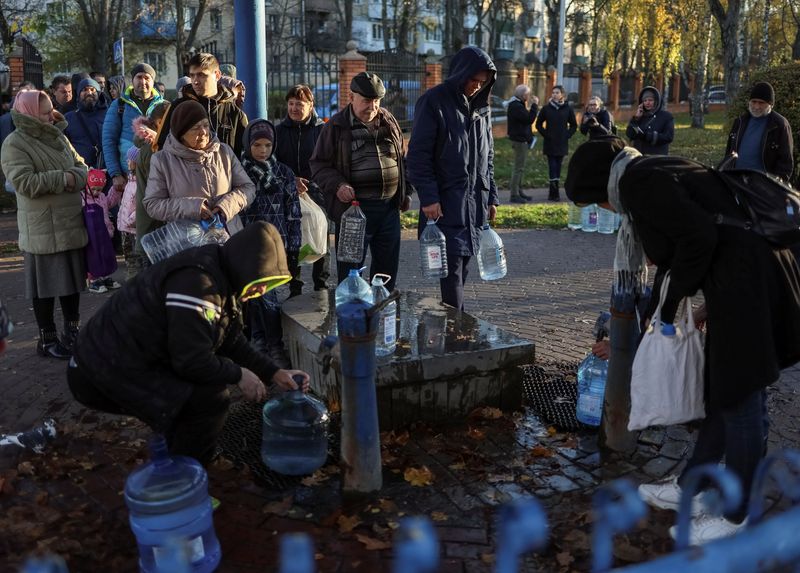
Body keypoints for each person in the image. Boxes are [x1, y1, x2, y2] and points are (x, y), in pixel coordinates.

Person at [565, 136, 800, 545]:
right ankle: (698, 483)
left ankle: (736, 513)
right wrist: (666, 309)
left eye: (594, 202)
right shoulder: (650, 169)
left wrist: (672, 308)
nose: (603, 211)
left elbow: (698, 240)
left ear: (600, 185)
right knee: (723, 391)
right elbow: (690, 243)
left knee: (743, 397)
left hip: (748, 283)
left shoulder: (639, 184)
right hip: (746, 276)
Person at [67, 221, 310, 465]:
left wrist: (275, 372)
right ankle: (184, 479)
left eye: (268, 284)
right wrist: (238, 374)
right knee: (208, 400)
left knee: (194, 399)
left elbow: (231, 341)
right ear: (245, 263)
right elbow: (190, 360)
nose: (261, 290)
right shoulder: (199, 285)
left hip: (131, 357)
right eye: (260, 281)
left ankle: (179, 457)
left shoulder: (222, 271)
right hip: (97, 369)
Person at [406, 46, 498, 310]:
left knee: (463, 268)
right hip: (446, 204)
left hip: (475, 205)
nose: (476, 86)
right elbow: (418, 157)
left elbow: (487, 157)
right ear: (461, 73)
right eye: (473, 80)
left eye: (482, 82)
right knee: (452, 273)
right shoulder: (434, 101)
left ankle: (455, 324)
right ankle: (456, 331)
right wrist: (429, 197)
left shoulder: (482, 109)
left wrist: (491, 196)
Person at [0, 90, 88, 358]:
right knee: (45, 288)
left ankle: (72, 333)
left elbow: (82, 166)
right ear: (29, 113)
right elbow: (24, 183)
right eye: (46, 111)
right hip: (42, 226)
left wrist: (76, 176)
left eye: (51, 109)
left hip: (70, 220)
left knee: (72, 284)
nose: (52, 115)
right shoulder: (15, 143)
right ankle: (46, 339)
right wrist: (64, 179)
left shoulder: (58, 135)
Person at [310, 72, 413, 291]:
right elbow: (318, 165)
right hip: (354, 212)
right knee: (350, 273)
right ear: (351, 97)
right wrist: (339, 185)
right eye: (366, 100)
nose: (372, 106)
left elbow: (403, 160)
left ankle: (381, 313)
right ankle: (351, 319)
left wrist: (406, 191)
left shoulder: (388, 120)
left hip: (388, 210)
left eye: (376, 101)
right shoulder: (335, 127)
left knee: (386, 272)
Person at [239, 120, 301, 366]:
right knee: (253, 295)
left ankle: (274, 344)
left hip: (276, 245)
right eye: (257, 145)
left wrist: (294, 247)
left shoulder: (283, 173)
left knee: (270, 296)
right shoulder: (239, 173)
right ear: (248, 144)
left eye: (268, 145)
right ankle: (258, 339)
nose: (263, 150)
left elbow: (293, 212)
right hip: (248, 245)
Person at [144, 100, 254, 233]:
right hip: (188, 242)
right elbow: (153, 204)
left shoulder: (223, 152)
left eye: (206, 125)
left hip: (228, 236)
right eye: (195, 128)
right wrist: (194, 208)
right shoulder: (162, 160)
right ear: (181, 133)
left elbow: (248, 188)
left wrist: (225, 207)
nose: (203, 132)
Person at [274, 84, 329, 294]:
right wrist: (290, 181)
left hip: (317, 192)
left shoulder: (322, 130)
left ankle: (321, 284)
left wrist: (312, 183)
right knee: (292, 238)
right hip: (289, 191)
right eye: (291, 103)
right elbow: (274, 162)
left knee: (320, 234)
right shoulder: (278, 131)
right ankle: (295, 285)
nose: (295, 108)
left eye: (300, 104)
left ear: (311, 105)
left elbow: (327, 161)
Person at [159, 53, 248, 156]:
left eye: (201, 75)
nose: (195, 81)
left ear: (217, 75)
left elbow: (243, 154)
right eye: (192, 75)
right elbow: (161, 147)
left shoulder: (234, 113)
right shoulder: (177, 108)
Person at [102, 63, 164, 196]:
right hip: (128, 177)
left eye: (147, 78)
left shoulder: (163, 106)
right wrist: (115, 173)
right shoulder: (119, 105)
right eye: (139, 77)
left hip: (158, 175)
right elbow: (108, 140)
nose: (143, 81)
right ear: (132, 80)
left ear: (153, 81)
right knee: (128, 215)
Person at [722, 81, 793, 181]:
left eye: (761, 103)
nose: (756, 106)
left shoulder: (780, 125)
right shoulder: (740, 122)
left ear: (770, 104)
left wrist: (776, 185)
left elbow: (785, 162)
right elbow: (729, 153)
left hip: (764, 185)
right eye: (754, 102)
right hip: (737, 180)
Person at [133, 102, 171, 272]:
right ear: (159, 122)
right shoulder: (152, 148)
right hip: (153, 224)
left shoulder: (151, 144)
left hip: (151, 221)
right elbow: (160, 186)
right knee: (152, 274)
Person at [534, 85, 577, 202]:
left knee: (558, 167)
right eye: (553, 93)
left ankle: (555, 191)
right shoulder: (546, 108)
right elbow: (538, 124)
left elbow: (574, 125)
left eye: (557, 92)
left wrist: (567, 135)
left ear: (562, 95)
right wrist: (546, 134)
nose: (554, 94)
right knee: (552, 166)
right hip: (550, 143)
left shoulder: (567, 108)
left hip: (562, 143)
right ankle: (554, 192)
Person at [82, 169, 121, 293]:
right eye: (93, 189)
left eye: (99, 189)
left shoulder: (102, 196)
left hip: (104, 231)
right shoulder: (81, 197)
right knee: (93, 256)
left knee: (105, 254)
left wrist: (115, 190)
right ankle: (93, 280)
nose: (95, 192)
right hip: (90, 234)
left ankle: (104, 276)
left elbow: (110, 202)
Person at [64, 78, 108, 168]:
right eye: (84, 90)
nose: (89, 93)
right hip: (80, 172)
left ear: (99, 94)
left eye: (92, 89)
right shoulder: (69, 118)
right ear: (79, 94)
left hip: (107, 170)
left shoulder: (109, 115)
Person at [506, 84, 539, 203]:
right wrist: (535, 105)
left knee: (520, 168)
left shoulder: (518, 104)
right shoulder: (516, 106)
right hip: (519, 141)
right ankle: (514, 195)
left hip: (521, 139)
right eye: (528, 94)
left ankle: (519, 192)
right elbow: (529, 119)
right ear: (523, 95)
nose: (529, 96)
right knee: (518, 168)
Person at [625, 86, 674, 155]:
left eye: (650, 100)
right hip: (639, 157)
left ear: (656, 101)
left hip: (657, 157)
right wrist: (636, 118)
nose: (647, 103)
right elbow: (629, 134)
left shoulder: (666, 116)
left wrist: (648, 136)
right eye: (645, 101)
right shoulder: (640, 116)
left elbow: (668, 137)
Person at [117, 145, 140, 280]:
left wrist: (131, 220)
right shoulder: (129, 181)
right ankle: (131, 278)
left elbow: (141, 206)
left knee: (137, 257)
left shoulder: (140, 183)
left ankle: (135, 281)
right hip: (125, 228)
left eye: (130, 159)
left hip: (134, 228)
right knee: (128, 256)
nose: (127, 161)